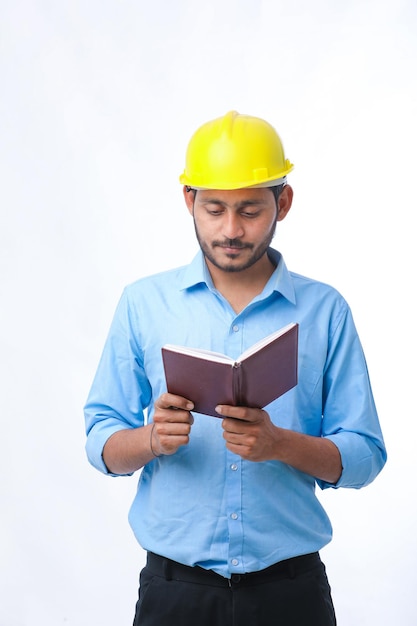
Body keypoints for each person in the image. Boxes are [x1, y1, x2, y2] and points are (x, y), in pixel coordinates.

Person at [84, 110, 387, 626]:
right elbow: (100, 441)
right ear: (189, 203)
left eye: (249, 210)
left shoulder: (325, 311)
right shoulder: (143, 304)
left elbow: (365, 455)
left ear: (283, 203)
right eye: (215, 209)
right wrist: (151, 439)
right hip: (173, 593)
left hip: (292, 595)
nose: (231, 230)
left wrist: (280, 444)